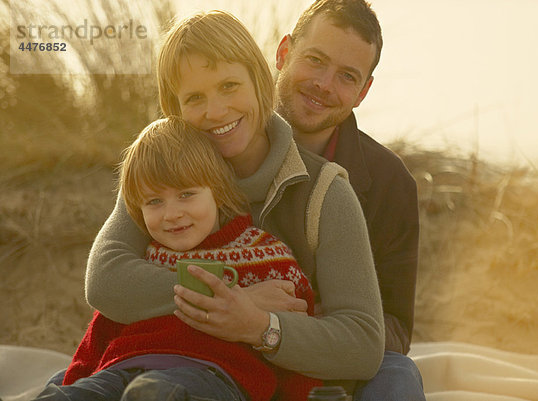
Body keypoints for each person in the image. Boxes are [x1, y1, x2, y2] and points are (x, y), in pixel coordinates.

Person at [81, 10, 385, 400]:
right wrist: (228, 294)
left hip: (248, 381)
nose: (216, 111)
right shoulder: (159, 177)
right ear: (173, 108)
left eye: (229, 86)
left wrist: (258, 324)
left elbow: (362, 342)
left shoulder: (327, 193)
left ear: (260, 83)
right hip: (146, 360)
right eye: (194, 98)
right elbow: (106, 279)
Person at [34, 116, 321, 401]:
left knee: (152, 392)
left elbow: (299, 352)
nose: (171, 214)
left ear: (218, 192)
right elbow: (99, 336)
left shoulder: (267, 258)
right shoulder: (142, 261)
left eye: (186, 194)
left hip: (212, 376)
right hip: (121, 368)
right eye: (155, 201)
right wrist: (72, 384)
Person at [274, 0, 424, 399]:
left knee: (398, 374)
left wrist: (332, 327)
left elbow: (395, 324)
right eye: (315, 60)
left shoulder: (392, 183)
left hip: (337, 358)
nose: (324, 84)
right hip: (229, 345)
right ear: (283, 54)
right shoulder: (221, 143)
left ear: (363, 91)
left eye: (346, 76)